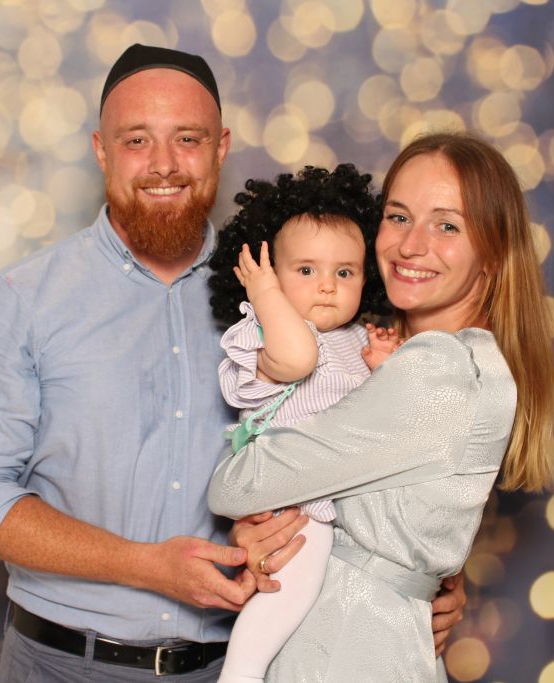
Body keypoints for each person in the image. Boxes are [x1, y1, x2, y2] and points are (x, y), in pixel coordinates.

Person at [0, 43, 464, 682]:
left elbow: (380, 446)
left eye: (187, 139)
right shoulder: (21, 301)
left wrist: (427, 581)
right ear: (102, 150)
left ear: (221, 149)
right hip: (63, 665)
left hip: (246, 661)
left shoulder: (295, 290)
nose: (164, 164)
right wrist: (145, 566)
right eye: (137, 140)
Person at [209, 131, 554, 681]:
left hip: (348, 655)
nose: (410, 245)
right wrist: (266, 533)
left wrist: (259, 506)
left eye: (447, 226)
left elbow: (235, 485)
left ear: (493, 252)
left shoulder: (438, 370)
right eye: (398, 217)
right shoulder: (392, 353)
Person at [206, 164, 399, 682]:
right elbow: (297, 360)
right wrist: (265, 294)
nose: (328, 287)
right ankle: (240, 674)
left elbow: (382, 426)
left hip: (343, 502)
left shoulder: (357, 340)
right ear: (269, 273)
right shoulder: (264, 331)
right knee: (295, 586)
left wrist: (383, 369)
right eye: (306, 270)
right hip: (291, 502)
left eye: (345, 272)